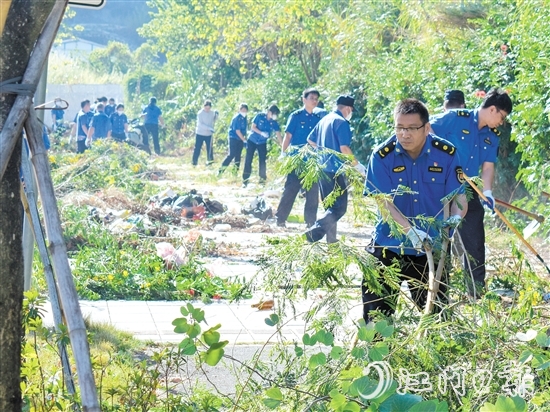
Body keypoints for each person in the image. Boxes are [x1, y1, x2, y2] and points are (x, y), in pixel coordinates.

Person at [362, 98, 468, 322]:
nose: (404, 134)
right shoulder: (382, 156)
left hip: (430, 249)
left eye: (411, 128)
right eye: (399, 128)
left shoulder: (446, 154)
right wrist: (410, 231)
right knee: (377, 321)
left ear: (427, 128)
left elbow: (459, 196)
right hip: (389, 246)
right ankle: (376, 357)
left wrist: (455, 219)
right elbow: (383, 203)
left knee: (435, 321)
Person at [430, 88, 513, 296]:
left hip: (468, 189)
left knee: (475, 241)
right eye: (501, 117)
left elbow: (487, 167)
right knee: (442, 242)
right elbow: (426, 128)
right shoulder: (456, 118)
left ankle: (475, 293)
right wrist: (442, 157)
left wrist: (488, 192)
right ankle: (439, 295)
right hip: (442, 187)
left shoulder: (491, 136)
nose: (501, 122)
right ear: (493, 109)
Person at [304, 95, 364, 243]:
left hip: (322, 168)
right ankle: (314, 230)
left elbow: (310, 140)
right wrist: (357, 165)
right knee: (339, 208)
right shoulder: (341, 122)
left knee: (330, 207)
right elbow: (344, 148)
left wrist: (323, 151)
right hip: (335, 170)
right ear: (348, 108)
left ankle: (331, 240)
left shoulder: (325, 119)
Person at [275, 88, 322, 228]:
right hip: (297, 159)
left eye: (316, 99)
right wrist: (284, 154)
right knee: (291, 189)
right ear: (304, 99)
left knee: (312, 192)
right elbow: (288, 136)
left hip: (312, 161)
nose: (314, 101)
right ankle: (280, 218)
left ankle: (310, 221)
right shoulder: (296, 116)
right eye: (312, 98)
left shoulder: (318, 118)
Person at [242, 104, 282, 187]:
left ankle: (262, 181)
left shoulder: (274, 122)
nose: (274, 116)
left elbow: (278, 134)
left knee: (262, 161)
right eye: (274, 114)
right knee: (248, 160)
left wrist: (282, 145)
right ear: (269, 112)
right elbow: (253, 127)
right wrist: (261, 133)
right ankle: (245, 181)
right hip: (252, 141)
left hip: (262, 143)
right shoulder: (259, 116)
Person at [218, 103, 248, 176]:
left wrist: (244, 139)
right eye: (242, 110)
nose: (244, 112)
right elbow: (237, 131)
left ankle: (235, 173)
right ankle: (221, 171)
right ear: (239, 110)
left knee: (238, 156)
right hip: (233, 138)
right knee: (231, 154)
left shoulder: (245, 119)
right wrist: (244, 140)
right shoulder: (236, 118)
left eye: (245, 110)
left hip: (240, 139)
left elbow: (244, 130)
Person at [193, 100, 218, 166]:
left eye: (209, 108)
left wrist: (216, 116)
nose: (207, 109)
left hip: (209, 134)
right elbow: (200, 124)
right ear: (204, 107)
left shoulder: (212, 113)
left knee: (209, 148)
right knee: (197, 148)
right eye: (206, 108)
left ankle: (210, 162)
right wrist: (209, 128)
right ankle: (194, 162)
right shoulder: (200, 113)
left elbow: (214, 120)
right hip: (200, 133)